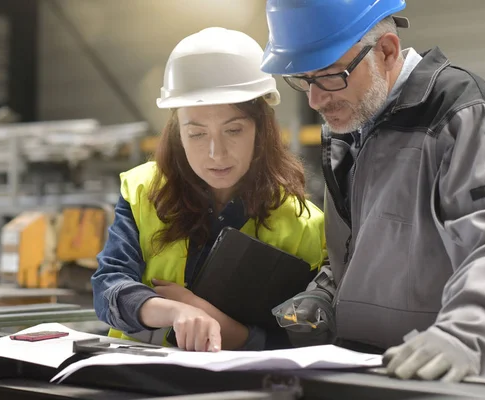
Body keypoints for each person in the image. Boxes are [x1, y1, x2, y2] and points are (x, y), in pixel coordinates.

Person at [261, 0, 485, 382]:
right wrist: (325, 292)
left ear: (387, 51)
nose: (316, 99)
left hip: (445, 378)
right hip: (366, 370)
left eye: (328, 75)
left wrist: (465, 335)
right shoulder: (350, 122)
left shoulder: (461, 115)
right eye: (305, 80)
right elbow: (364, 243)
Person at [91, 27, 326, 352]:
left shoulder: (303, 225)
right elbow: (108, 288)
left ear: (261, 130)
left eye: (233, 130)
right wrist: (176, 311)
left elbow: (306, 336)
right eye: (197, 134)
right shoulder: (143, 191)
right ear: (177, 134)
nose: (216, 153)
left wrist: (225, 327)